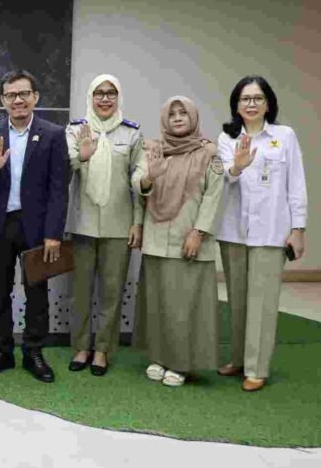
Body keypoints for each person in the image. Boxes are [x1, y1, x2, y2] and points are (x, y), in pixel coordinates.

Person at [0, 70, 67, 383]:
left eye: (24, 93)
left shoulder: (53, 134)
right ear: (3, 100)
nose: (18, 100)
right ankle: (2, 351)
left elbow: (59, 188)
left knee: (37, 293)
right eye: (11, 95)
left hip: (37, 228)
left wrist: (53, 233)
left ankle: (34, 352)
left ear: (35, 97)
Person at [216, 76, 307, 392]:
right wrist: (237, 166)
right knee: (238, 301)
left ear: (268, 104)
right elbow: (224, 179)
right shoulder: (227, 138)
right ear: (236, 105)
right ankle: (239, 359)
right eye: (245, 99)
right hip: (234, 231)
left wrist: (298, 229)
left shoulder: (284, 136)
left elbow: (296, 184)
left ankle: (257, 368)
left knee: (263, 302)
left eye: (257, 98)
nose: (251, 104)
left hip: (271, 231)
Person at [135, 96, 223, 388]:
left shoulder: (208, 153)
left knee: (185, 307)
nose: (177, 118)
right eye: (171, 114)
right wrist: (149, 177)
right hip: (157, 239)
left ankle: (181, 364)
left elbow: (213, 196)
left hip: (189, 240)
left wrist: (199, 232)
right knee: (159, 303)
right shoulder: (154, 149)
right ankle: (159, 358)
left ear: (193, 117)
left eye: (183, 113)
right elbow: (138, 183)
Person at [65, 75, 146, 377]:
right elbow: (66, 166)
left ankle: (102, 350)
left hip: (118, 225)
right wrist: (82, 156)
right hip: (83, 223)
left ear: (118, 96)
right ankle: (81, 347)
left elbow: (138, 180)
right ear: (91, 96)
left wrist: (137, 222)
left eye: (111, 93)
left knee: (112, 292)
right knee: (81, 292)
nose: (105, 98)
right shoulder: (76, 129)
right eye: (99, 93)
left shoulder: (132, 133)